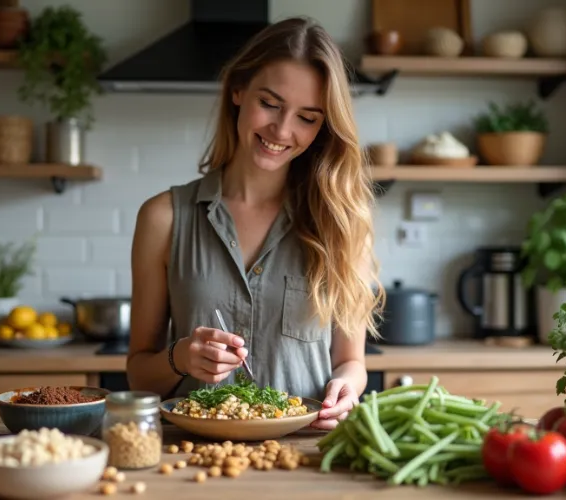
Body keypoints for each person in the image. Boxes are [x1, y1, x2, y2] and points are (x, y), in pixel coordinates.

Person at [126, 16, 385, 430]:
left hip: (302, 458)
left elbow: (351, 361)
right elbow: (139, 372)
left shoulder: (342, 221)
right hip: (194, 459)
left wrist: (346, 388)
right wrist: (180, 357)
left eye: (308, 117)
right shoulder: (163, 217)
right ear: (238, 90)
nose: (282, 130)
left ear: (323, 127)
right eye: (270, 103)